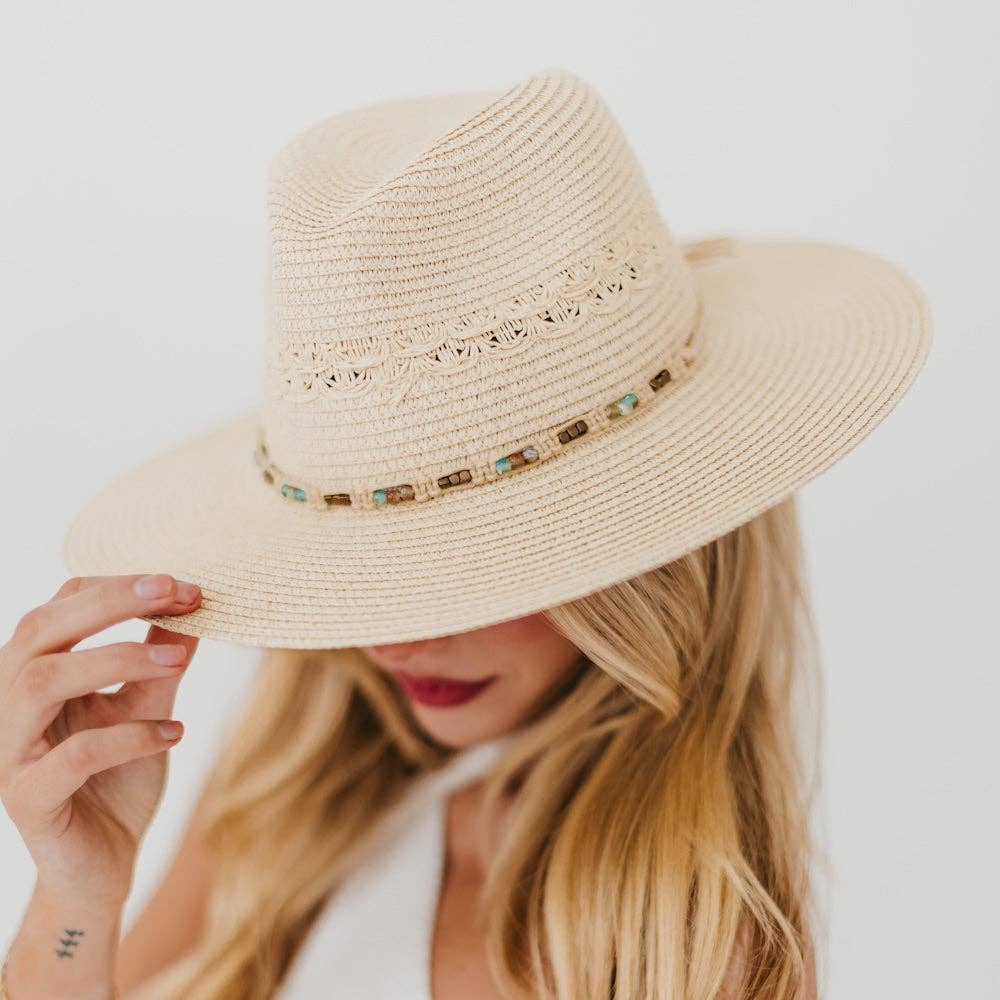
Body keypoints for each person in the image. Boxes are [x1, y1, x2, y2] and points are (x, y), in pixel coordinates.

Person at [0, 67, 932, 1000]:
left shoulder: (678, 947)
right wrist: (77, 898)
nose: (389, 643)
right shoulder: (302, 791)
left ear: (653, 561)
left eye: (462, 572)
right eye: (373, 574)